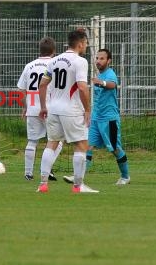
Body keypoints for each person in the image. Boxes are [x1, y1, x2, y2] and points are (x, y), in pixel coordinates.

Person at [36, 28, 98, 193]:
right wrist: (87, 109)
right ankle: (78, 186)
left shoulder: (53, 61)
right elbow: (83, 88)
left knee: (52, 143)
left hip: (53, 108)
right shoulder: (80, 61)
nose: (86, 46)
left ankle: (43, 184)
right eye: (85, 43)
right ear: (79, 44)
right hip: (72, 109)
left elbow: (42, 84)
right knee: (81, 144)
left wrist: (43, 106)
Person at [63, 49, 130, 185]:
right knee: (87, 146)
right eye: (97, 58)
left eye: (102, 59)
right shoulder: (99, 75)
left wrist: (101, 83)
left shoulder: (110, 74)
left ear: (108, 61)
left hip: (109, 119)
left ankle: (125, 176)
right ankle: (78, 177)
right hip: (96, 118)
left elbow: (113, 85)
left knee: (116, 149)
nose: (98, 61)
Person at [16, 36, 63, 181]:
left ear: (40, 50)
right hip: (50, 108)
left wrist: (25, 107)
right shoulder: (56, 64)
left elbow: (21, 90)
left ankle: (28, 173)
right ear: (53, 51)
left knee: (32, 141)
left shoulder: (29, 66)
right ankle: (46, 169)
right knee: (57, 140)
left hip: (33, 107)